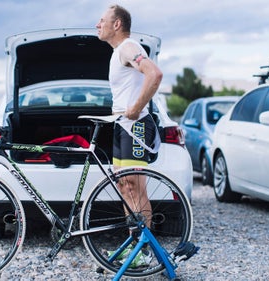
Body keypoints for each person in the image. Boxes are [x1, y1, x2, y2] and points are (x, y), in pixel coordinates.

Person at [96, 4, 163, 267]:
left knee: (136, 188)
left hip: (135, 127)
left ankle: (144, 251)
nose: (97, 25)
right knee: (124, 188)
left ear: (117, 24)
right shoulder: (117, 53)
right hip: (121, 126)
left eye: (102, 20)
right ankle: (134, 245)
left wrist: (136, 107)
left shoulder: (128, 47)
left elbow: (154, 74)